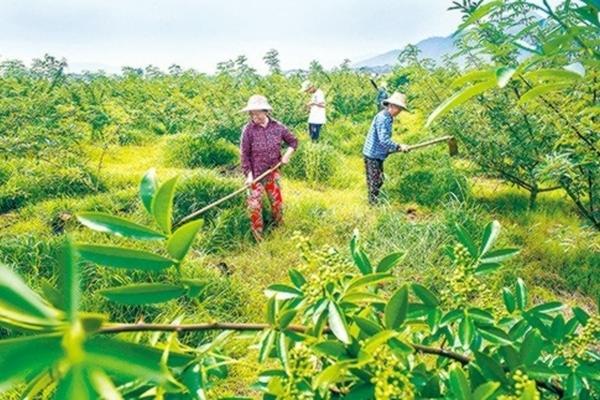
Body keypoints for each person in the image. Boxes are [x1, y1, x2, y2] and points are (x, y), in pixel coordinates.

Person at [240, 94, 298, 241]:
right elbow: (244, 155)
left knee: (277, 204)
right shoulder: (248, 130)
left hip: (273, 172)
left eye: (258, 112)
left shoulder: (278, 127)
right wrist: (249, 176)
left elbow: (293, 142)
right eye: (252, 113)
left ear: (266, 111)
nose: (255, 116)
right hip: (255, 175)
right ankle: (258, 237)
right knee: (254, 207)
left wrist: (287, 155)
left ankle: (278, 231)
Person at [362, 92, 409, 205]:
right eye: (398, 108)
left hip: (377, 153)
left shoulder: (387, 117)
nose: (399, 111)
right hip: (373, 154)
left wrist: (393, 148)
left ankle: (373, 201)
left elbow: (383, 141)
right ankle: (372, 205)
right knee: (375, 181)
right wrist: (398, 146)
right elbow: (384, 140)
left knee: (378, 180)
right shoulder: (383, 118)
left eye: (401, 109)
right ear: (391, 105)